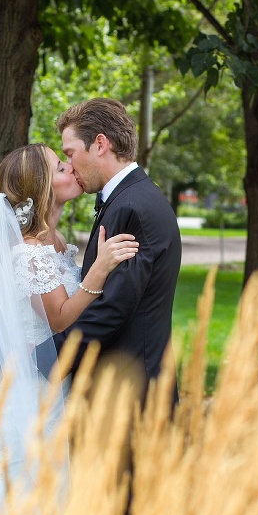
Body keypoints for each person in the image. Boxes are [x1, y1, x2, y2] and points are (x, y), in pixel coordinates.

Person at [0, 143, 138, 515]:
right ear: (43, 187)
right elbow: (61, 317)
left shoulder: (55, 242)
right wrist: (100, 270)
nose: (73, 170)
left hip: (53, 388)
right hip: (30, 398)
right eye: (62, 166)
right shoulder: (29, 253)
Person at [55, 98, 182, 397]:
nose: (69, 166)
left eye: (70, 154)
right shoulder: (131, 198)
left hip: (130, 393)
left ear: (100, 144)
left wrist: (45, 359)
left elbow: (111, 309)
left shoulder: (131, 207)